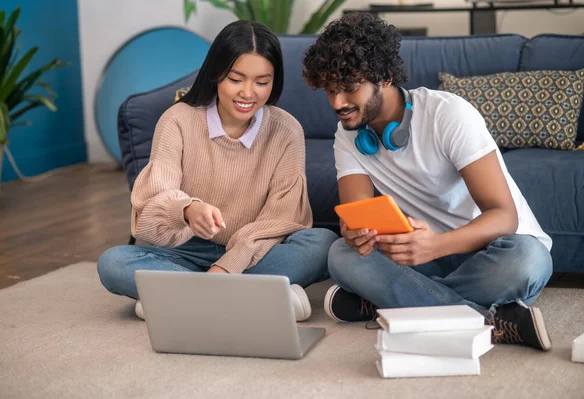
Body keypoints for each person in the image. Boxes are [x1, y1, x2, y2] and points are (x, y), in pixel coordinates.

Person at [301, 13, 553, 350]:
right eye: (330, 91)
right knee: (341, 254)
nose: (338, 103)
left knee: (528, 260)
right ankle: (487, 321)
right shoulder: (348, 134)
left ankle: (388, 302)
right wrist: (356, 233)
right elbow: (357, 216)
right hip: (421, 257)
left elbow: (504, 216)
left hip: (492, 249)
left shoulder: (448, 115)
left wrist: (437, 244)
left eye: (349, 88)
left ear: (385, 77)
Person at [97, 20, 338, 322]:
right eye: (236, 79)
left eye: (262, 82)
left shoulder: (286, 129)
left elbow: (283, 216)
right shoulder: (177, 121)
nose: (248, 93)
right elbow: (152, 203)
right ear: (216, 74)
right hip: (184, 251)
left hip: (254, 251)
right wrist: (186, 210)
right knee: (113, 262)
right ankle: (260, 298)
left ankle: (174, 299)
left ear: (274, 82)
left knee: (321, 245)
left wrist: (227, 266)